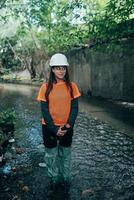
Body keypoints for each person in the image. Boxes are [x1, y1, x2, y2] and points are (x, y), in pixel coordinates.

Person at [37, 53, 81, 191]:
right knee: (50, 155)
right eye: (58, 68)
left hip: (67, 126)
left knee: (65, 154)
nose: (61, 71)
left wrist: (68, 125)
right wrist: (54, 129)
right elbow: (44, 111)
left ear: (66, 69)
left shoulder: (72, 86)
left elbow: (74, 108)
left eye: (63, 68)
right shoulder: (45, 87)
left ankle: (65, 179)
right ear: (52, 70)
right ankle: (54, 180)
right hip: (49, 127)